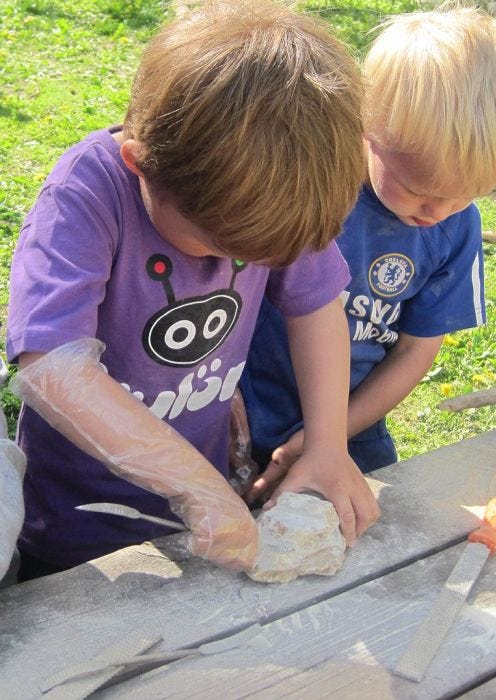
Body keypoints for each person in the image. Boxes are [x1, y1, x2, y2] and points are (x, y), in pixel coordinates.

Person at [5, 0, 380, 581]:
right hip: (76, 528)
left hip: (200, 525)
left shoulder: (271, 191)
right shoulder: (87, 193)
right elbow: (51, 364)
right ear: (140, 166)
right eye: (214, 246)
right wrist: (193, 485)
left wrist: (328, 444)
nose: (234, 262)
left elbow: (316, 304)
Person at [240, 4, 496, 498]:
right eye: (416, 187)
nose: (437, 211)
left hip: (355, 426)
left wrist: (327, 438)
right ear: (366, 128)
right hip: (238, 405)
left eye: (465, 194)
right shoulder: (308, 186)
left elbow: (415, 350)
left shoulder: (456, 227)